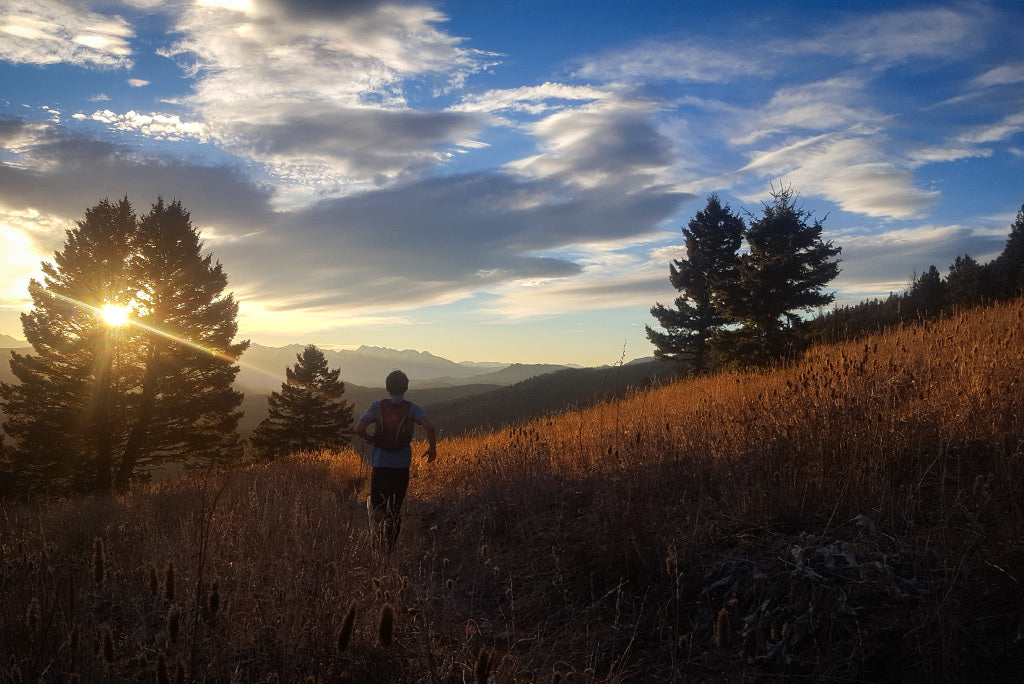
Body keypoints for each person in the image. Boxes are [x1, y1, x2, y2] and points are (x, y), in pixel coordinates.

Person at [354, 369, 437, 552]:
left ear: (387, 387)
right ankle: (390, 549)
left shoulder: (377, 406)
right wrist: (432, 449)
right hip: (401, 465)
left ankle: (377, 546)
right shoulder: (412, 409)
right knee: (395, 508)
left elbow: (359, 428)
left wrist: (370, 438)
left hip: (380, 463)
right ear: (406, 387)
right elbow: (430, 427)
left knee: (378, 507)